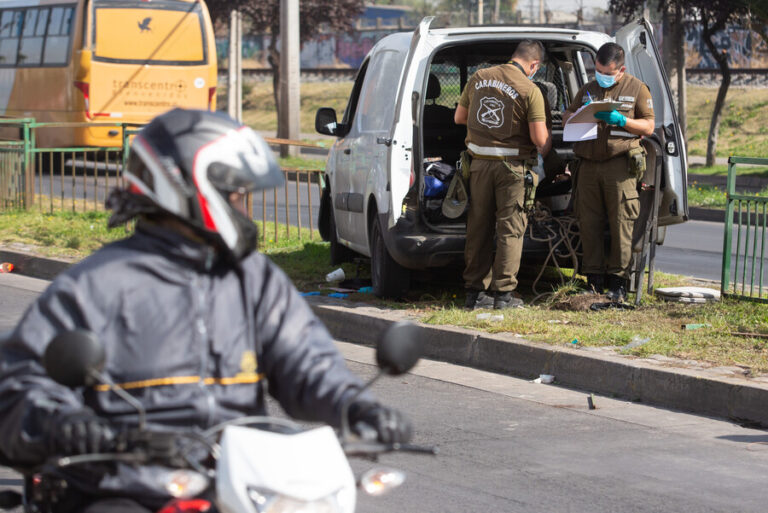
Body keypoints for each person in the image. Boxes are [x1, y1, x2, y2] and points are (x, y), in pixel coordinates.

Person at [0, 109, 412, 513]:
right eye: (235, 195)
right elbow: (21, 385)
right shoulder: (95, 285)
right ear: (182, 189)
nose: (244, 209)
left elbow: (305, 360)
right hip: (124, 484)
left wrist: (356, 405)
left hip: (238, 483)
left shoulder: (252, 278)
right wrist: (63, 424)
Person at [454, 40, 552, 310]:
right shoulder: (530, 89)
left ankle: (474, 294)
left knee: (478, 228)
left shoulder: (479, 77)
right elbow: (539, 139)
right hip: (512, 170)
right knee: (510, 230)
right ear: (534, 65)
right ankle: (503, 296)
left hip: (478, 166)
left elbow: (459, 118)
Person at [562, 43, 655, 302]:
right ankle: (593, 281)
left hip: (620, 165)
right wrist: (574, 117)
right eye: (598, 71)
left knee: (621, 223)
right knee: (588, 222)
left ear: (621, 70)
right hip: (588, 164)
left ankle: (618, 283)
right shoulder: (588, 89)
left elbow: (648, 126)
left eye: (607, 72)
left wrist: (623, 121)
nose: (601, 76)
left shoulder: (637, 88)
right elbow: (568, 114)